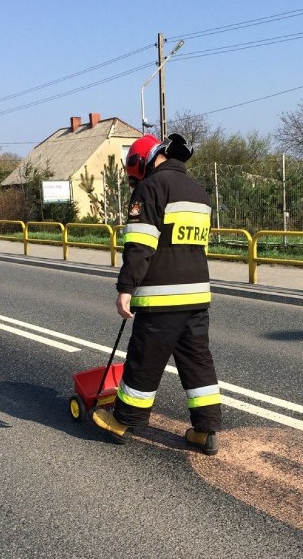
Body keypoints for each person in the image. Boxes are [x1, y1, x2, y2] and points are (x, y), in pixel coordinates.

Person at [92, 133, 221, 456]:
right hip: (196, 295)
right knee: (197, 363)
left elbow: (140, 245)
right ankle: (205, 431)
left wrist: (126, 288)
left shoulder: (150, 188)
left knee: (144, 361)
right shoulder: (198, 192)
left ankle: (124, 421)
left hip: (162, 297)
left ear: (142, 163)